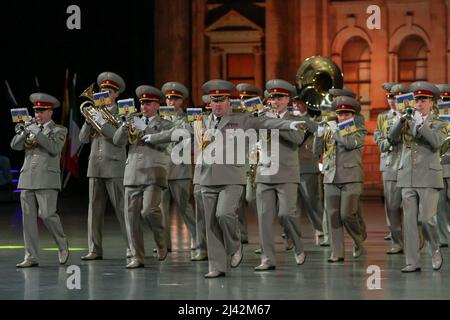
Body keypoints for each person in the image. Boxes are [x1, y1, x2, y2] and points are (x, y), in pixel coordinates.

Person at [388, 81, 446, 272]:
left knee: (426, 219)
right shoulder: (407, 119)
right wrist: (400, 119)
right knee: (410, 221)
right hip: (407, 175)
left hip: (428, 175)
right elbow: (391, 138)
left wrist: (420, 124)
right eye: (417, 100)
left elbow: (436, 143)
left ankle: (435, 248)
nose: (419, 104)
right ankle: (412, 261)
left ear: (432, 103)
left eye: (423, 100)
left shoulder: (440, 123)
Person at [113, 85, 173, 268]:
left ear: (157, 106)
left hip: (153, 172)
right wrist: (124, 126)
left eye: (148, 103)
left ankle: (161, 241)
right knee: (131, 217)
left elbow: (165, 142)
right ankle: (137, 257)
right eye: (142, 103)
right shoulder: (134, 120)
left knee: (148, 211)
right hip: (132, 173)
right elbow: (117, 141)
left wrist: (145, 128)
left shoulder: (166, 124)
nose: (144, 107)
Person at [11, 92, 69, 267]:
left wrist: (37, 132)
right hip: (27, 177)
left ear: (50, 112)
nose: (38, 115)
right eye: (36, 111)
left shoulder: (59, 130)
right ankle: (31, 256)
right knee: (27, 219)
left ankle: (62, 244)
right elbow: (14, 145)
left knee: (46, 214)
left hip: (47, 177)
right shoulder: (31, 127)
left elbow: (53, 148)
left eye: (42, 111)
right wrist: (26, 130)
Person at [254, 79, 306, 271]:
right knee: (264, 218)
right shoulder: (261, 117)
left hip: (286, 173)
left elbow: (298, 138)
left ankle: (298, 245)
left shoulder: (294, 119)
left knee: (286, 214)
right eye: (272, 98)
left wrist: (275, 123)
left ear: (288, 100)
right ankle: (267, 259)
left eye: (279, 98)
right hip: (264, 173)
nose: (275, 101)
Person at [79, 71, 130, 260]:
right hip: (95, 166)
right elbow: (82, 139)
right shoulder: (95, 113)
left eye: (109, 91)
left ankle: (132, 248)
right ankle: (94, 249)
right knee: (94, 211)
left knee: (122, 209)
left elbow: (120, 140)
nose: (105, 94)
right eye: (102, 91)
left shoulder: (123, 114)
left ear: (116, 94)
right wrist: (88, 121)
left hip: (115, 166)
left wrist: (100, 121)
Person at [313, 96, 367, 262]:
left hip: (351, 177)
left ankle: (358, 241)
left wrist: (336, 130)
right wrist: (320, 135)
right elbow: (317, 151)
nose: (342, 117)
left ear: (352, 115)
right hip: (331, 176)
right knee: (333, 215)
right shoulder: (331, 129)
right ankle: (337, 252)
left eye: (346, 114)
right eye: (340, 114)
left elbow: (349, 144)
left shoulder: (359, 130)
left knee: (346, 214)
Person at [374, 83, 408, 254]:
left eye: (396, 98)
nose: (393, 101)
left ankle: (415, 238)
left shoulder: (413, 116)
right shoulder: (382, 118)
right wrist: (387, 142)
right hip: (391, 164)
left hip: (410, 164)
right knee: (392, 206)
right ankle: (397, 241)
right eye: (390, 97)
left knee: (413, 208)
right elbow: (380, 141)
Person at [435, 84, 450, 247]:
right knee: (439, 204)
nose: (443, 104)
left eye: (447, 100)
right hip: (438, 166)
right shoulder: (434, 119)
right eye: (441, 100)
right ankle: (443, 237)